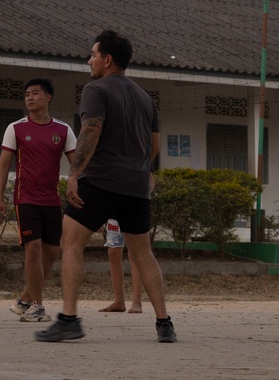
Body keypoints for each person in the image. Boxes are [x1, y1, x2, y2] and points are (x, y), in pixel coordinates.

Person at [36, 30, 176, 343]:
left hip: (99, 181)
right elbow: (154, 146)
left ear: (107, 59)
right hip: (136, 185)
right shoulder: (145, 98)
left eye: (93, 55)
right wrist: (139, 168)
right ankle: (164, 323)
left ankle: (69, 318)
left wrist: (73, 173)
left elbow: (91, 132)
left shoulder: (95, 89)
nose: (89, 61)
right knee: (143, 254)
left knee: (70, 243)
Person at [0, 78, 76, 324]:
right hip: (26, 198)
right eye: (27, 94)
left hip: (51, 199)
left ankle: (24, 300)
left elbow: (77, 165)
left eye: (35, 93)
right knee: (33, 249)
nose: (30, 98)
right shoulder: (15, 128)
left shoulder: (63, 130)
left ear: (48, 97)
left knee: (52, 253)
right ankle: (38, 307)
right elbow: (3, 165)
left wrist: (77, 184)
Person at [99, 218, 144, 314]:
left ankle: (137, 302)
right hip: (114, 216)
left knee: (134, 254)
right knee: (113, 253)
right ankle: (119, 301)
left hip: (132, 213)